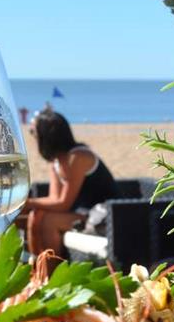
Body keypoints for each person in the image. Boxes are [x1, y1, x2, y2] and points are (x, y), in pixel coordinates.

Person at [20, 109, 116, 255]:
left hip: (104, 216)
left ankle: (52, 267)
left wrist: (26, 203)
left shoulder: (77, 157)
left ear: (47, 135)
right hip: (83, 213)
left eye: (33, 132)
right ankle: (38, 265)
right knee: (36, 215)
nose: (32, 136)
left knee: (49, 221)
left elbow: (63, 203)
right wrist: (27, 204)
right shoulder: (56, 161)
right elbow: (54, 198)